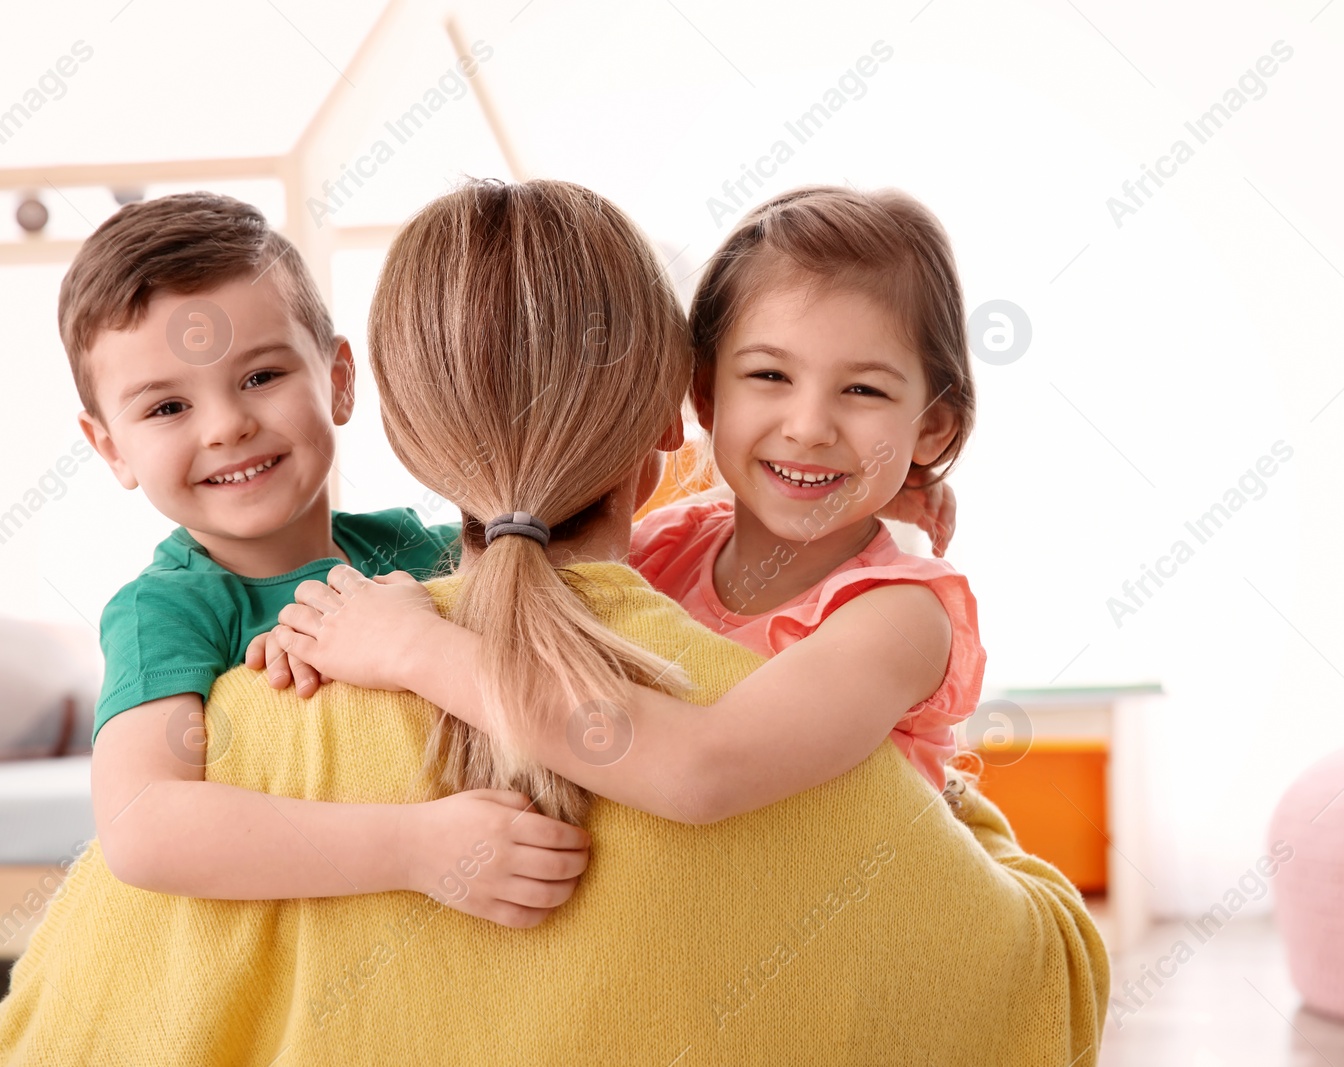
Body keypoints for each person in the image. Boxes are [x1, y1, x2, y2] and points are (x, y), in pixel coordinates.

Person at [0, 179, 1108, 1064]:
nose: (228, 425)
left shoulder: (410, 586)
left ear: (355, 385)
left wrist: (419, 650)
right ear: (685, 411)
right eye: (768, 376)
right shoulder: (181, 617)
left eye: (260, 374)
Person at [268, 185, 987, 829]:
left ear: (931, 426)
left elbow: (704, 771)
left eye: (865, 391)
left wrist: (414, 649)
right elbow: (517, 595)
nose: (808, 424)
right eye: (769, 374)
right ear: (702, 396)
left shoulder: (900, 617)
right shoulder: (663, 544)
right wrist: (319, 632)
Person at [60, 192, 590, 927]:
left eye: (259, 377)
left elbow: (550, 594)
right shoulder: (169, 608)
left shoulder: (414, 545)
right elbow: (144, 826)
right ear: (112, 446)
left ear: (338, 379)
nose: (227, 426)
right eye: (167, 408)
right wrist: (415, 848)